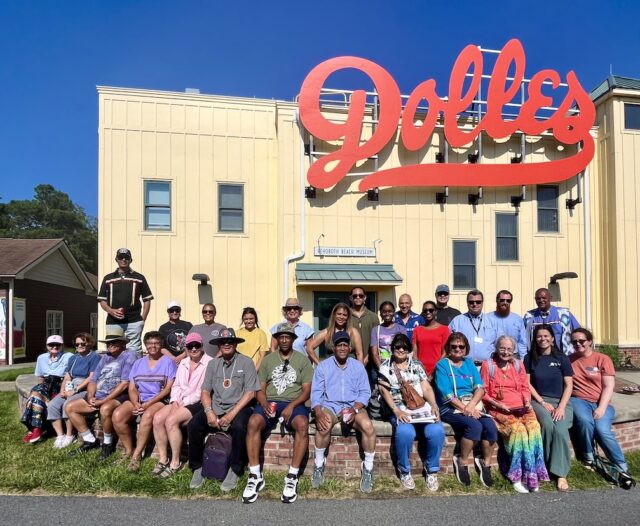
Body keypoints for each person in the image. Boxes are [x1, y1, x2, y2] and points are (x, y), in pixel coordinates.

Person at [243, 323, 313, 504]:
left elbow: (306, 390)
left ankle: (292, 476)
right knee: (253, 423)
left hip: (294, 402)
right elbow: (260, 388)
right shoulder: (268, 360)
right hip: (271, 401)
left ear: (292, 339)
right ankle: (255, 475)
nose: (284, 340)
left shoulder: (302, 360)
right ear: (277, 339)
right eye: (281, 337)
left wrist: (293, 405)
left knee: (302, 425)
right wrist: (264, 402)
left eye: (287, 337)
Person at [187, 328, 259, 491]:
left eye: (230, 341)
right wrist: (208, 411)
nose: (226, 344)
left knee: (239, 427)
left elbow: (251, 393)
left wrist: (232, 414)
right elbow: (205, 391)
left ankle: (235, 469)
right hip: (216, 407)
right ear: (219, 345)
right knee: (194, 425)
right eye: (223, 342)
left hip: (240, 407)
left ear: (235, 343)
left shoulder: (246, 362)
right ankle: (197, 467)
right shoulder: (213, 364)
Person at [480, 336, 549, 493]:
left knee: (534, 429)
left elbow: (525, 387)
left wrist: (526, 401)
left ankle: (533, 474)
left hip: (521, 408)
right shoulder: (488, 365)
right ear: (496, 349)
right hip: (499, 410)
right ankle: (517, 476)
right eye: (502, 348)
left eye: (509, 349)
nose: (506, 352)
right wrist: (498, 405)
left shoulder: (518, 365)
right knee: (519, 432)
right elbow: (482, 391)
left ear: (514, 350)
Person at [569, 328, 635, 489]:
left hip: (601, 402)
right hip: (578, 399)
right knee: (585, 420)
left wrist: (601, 408)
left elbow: (608, 386)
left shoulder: (602, 359)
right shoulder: (569, 359)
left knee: (602, 430)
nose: (578, 344)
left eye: (581, 341)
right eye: (574, 341)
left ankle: (621, 466)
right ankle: (588, 456)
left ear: (590, 341)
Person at [310, 331, 376, 493]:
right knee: (323, 425)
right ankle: (319, 464)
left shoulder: (358, 366)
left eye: (345, 345)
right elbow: (316, 392)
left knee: (368, 426)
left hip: (353, 406)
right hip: (330, 405)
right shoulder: (323, 366)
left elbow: (365, 393)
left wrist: (354, 409)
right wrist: (318, 410)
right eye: (339, 345)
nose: (342, 348)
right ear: (333, 347)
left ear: (350, 347)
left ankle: (367, 467)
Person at [379, 333, 445, 491]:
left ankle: (432, 470)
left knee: (437, 431)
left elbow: (426, 387)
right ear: (392, 348)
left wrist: (434, 404)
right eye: (397, 347)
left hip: (420, 406)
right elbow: (383, 390)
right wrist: (396, 411)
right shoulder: (385, 366)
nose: (401, 350)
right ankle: (404, 470)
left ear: (409, 349)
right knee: (405, 433)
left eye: (404, 347)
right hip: (399, 407)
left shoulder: (416, 364)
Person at [434, 332, 497, 487]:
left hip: (472, 405)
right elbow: (446, 394)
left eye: (461, 346)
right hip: (450, 407)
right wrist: (467, 409)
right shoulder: (442, 365)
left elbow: (480, 388)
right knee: (474, 426)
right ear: (448, 347)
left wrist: (471, 406)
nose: (457, 349)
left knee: (490, 426)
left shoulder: (469, 364)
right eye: (454, 346)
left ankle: (485, 462)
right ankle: (461, 461)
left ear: (466, 348)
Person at [66, 328, 138, 458]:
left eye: (114, 342)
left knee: (105, 409)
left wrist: (103, 401)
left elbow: (124, 384)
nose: (110, 345)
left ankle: (107, 444)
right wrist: (90, 396)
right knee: (70, 407)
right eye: (108, 343)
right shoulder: (105, 357)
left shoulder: (129, 355)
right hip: (99, 394)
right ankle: (89, 440)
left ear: (123, 343)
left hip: (120, 394)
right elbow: (93, 380)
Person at [112, 331, 177, 471]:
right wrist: (136, 403)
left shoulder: (168, 362)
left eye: (156, 343)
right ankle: (128, 449)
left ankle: (136, 456)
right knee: (118, 415)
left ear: (161, 345)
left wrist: (147, 404)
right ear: (145, 345)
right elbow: (132, 387)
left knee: (147, 416)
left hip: (160, 399)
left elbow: (167, 389)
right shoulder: (138, 363)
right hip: (139, 399)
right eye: (150, 343)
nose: (153, 346)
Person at [152, 332, 212, 480]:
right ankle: (163, 459)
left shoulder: (209, 362)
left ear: (201, 346)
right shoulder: (184, 362)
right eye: (190, 346)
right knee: (158, 418)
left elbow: (203, 390)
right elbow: (177, 385)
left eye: (196, 345)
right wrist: (174, 401)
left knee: (171, 421)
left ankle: (175, 462)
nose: (193, 349)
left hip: (198, 402)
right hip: (180, 400)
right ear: (186, 348)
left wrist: (182, 404)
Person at [524, 324, 574, 492]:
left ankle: (561, 473)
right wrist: (542, 402)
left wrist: (561, 407)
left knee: (560, 429)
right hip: (538, 401)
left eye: (546, 336)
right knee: (547, 423)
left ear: (552, 338)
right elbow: (527, 384)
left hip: (561, 401)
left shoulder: (562, 358)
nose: (542, 339)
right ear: (535, 339)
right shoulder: (530, 358)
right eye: (539, 336)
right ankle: (544, 464)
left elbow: (569, 385)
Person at [47, 332, 101, 449]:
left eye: (83, 343)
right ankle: (60, 435)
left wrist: (75, 390)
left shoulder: (94, 357)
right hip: (70, 386)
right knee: (52, 405)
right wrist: (62, 389)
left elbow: (91, 377)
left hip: (85, 387)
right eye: (77, 344)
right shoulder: (73, 358)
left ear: (89, 343)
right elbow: (67, 376)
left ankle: (69, 435)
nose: (79, 346)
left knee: (67, 404)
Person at [97, 247, 154, 356]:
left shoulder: (139, 278)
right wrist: (110, 310)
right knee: (114, 349)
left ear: (130, 260)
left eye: (126, 258)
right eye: (121, 257)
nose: (123, 259)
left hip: (134, 321)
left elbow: (147, 299)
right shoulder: (108, 278)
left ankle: (135, 373)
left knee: (134, 351)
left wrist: (143, 318)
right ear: (116, 259)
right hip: (113, 321)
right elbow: (102, 300)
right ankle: (114, 372)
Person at [20, 335, 72, 444]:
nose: (54, 346)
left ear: (62, 345)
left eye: (57, 344)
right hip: (46, 385)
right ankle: (36, 429)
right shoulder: (41, 358)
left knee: (34, 396)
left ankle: (35, 429)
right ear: (47, 346)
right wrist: (42, 390)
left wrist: (67, 390)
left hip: (60, 384)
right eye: (51, 345)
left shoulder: (69, 356)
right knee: (35, 395)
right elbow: (40, 377)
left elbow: (70, 377)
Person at [523, 288, 580, 355]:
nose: (541, 300)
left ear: (550, 298)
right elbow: (523, 338)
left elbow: (578, 333)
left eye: (544, 298)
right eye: (538, 298)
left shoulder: (564, 314)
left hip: (562, 356)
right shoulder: (529, 316)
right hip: (537, 357)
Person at [449, 289, 498, 365]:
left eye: (478, 302)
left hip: (487, 366)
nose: (475, 304)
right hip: (463, 365)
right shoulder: (457, 321)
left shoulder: (492, 321)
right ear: (467, 303)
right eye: (471, 302)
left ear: (482, 303)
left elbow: (499, 343)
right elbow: (448, 343)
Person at [412, 300, 450, 377]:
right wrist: (420, 371)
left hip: (439, 370)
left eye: (431, 310)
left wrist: (434, 372)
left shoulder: (444, 329)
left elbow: (445, 353)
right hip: (421, 371)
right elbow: (414, 353)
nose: (428, 312)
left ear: (435, 311)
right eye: (425, 310)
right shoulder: (417, 330)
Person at [487, 290, 528, 359]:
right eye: (502, 300)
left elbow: (522, 342)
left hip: (513, 356)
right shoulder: (487, 318)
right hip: (495, 357)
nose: (505, 303)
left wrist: (523, 359)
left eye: (508, 301)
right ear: (497, 300)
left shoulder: (518, 319)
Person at [370, 301, 406, 371]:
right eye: (384, 312)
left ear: (394, 312)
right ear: (380, 313)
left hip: (398, 367)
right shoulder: (375, 330)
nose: (387, 314)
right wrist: (383, 370)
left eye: (390, 311)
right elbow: (374, 354)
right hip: (381, 366)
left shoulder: (401, 329)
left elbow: (404, 351)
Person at [349, 286, 379, 361]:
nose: (358, 297)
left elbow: (377, 339)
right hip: (350, 358)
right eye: (355, 296)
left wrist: (368, 357)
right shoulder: (346, 316)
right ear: (351, 298)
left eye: (361, 295)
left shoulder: (373, 317)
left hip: (370, 359)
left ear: (365, 297)